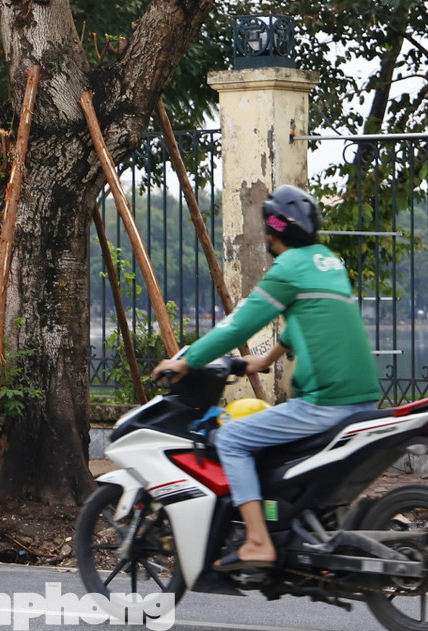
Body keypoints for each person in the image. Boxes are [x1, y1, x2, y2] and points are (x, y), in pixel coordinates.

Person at [151, 184, 380, 570]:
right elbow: (314, 320)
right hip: (364, 399)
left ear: (272, 230)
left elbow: (238, 326)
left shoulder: (287, 269)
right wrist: (264, 360)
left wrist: (189, 360)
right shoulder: (327, 262)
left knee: (232, 438)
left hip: (325, 402)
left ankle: (258, 541)